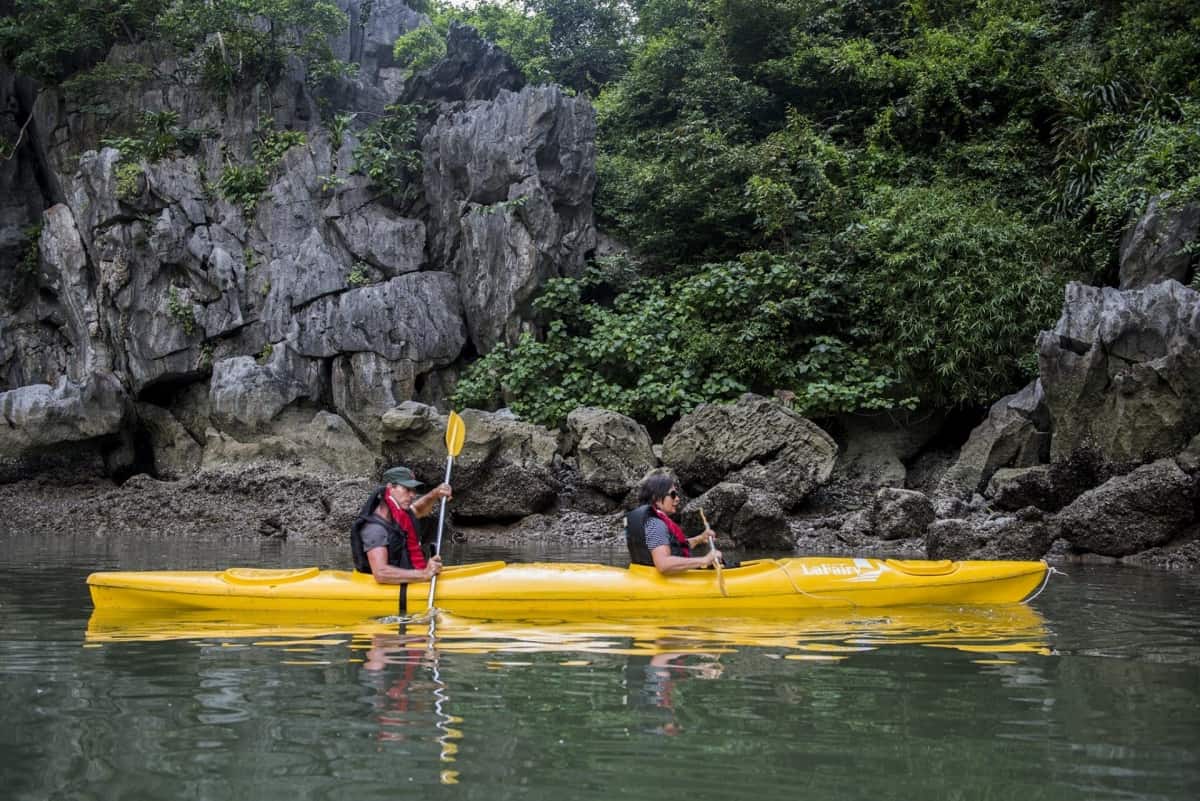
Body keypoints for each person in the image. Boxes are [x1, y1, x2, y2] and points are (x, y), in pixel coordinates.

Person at [351, 465, 452, 585]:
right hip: (386, 591)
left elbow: (418, 510)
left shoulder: (399, 516)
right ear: (390, 488)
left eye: (413, 490)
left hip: (412, 579)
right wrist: (425, 574)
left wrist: (435, 493)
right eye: (407, 489)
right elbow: (381, 573)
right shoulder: (375, 529)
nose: (413, 495)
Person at [625, 471, 722, 574]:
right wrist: (705, 560)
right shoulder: (656, 524)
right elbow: (663, 564)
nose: (677, 499)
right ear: (656, 498)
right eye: (673, 494)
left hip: (644, 575)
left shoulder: (651, 521)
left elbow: (676, 547)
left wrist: (700, 538)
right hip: (659, 583)